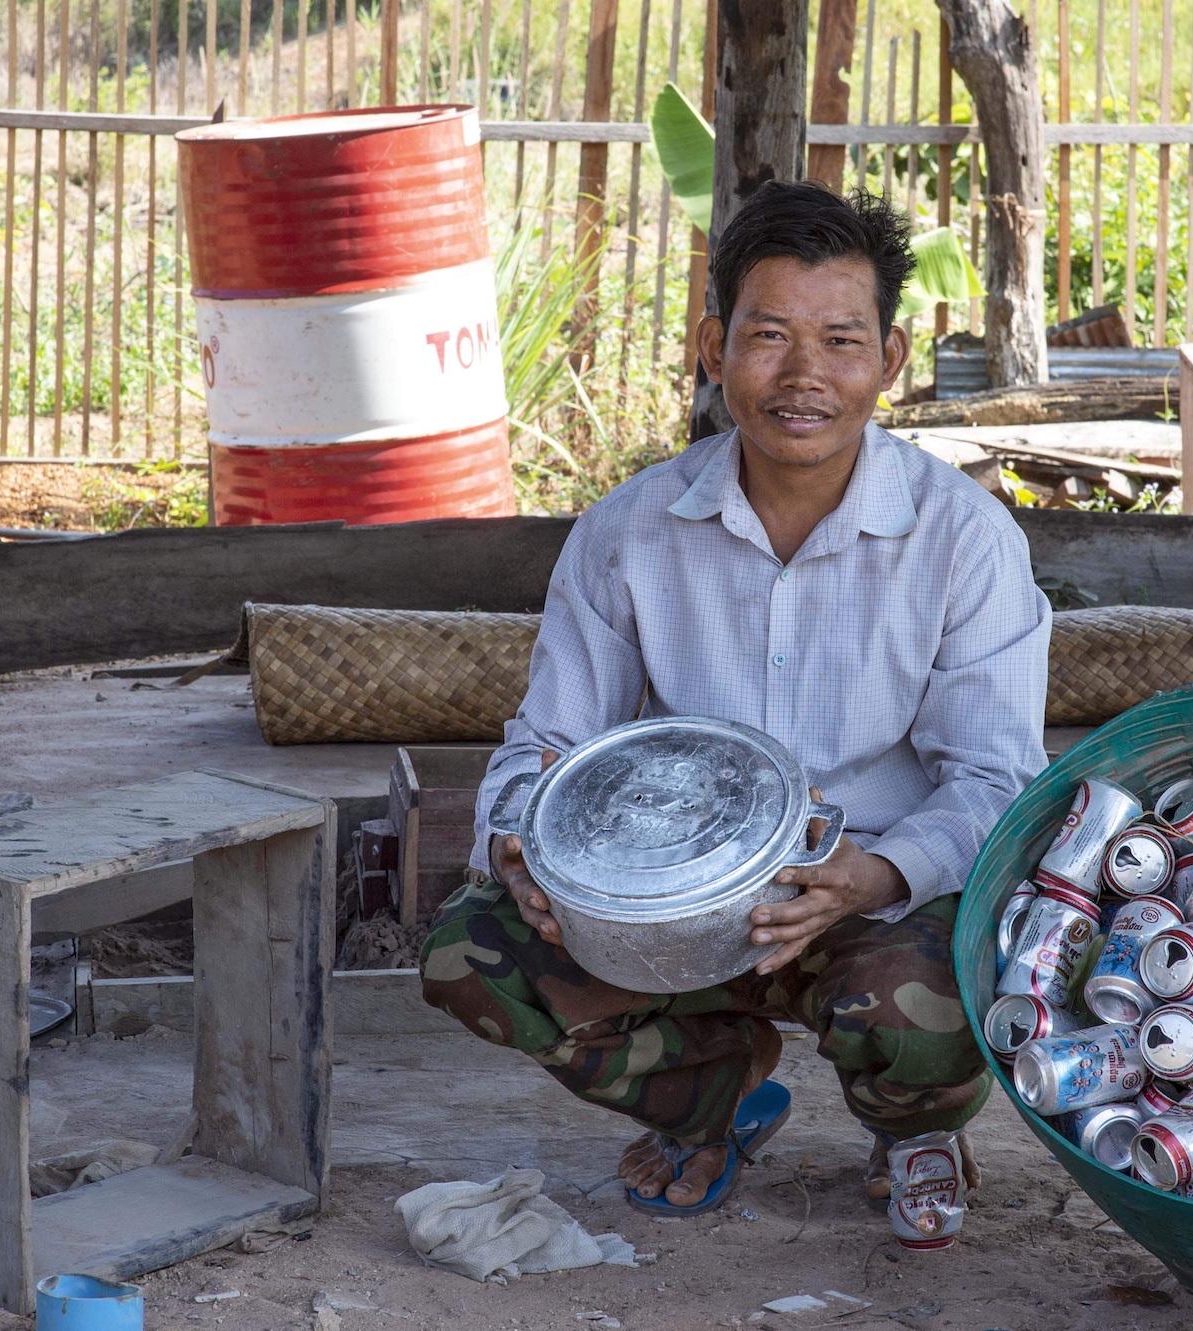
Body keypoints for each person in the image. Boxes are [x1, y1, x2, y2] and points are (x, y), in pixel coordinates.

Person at [420, 180, 1051, 1226]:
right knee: (469, 955)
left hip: (867, 893)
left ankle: (913, 1125)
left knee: (931, 1012)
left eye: (841, 339)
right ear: (712, 348)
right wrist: (513, 840)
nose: (803, 375)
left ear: (889, 362)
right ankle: (714, 1095)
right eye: (768, 336)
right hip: (658, 905)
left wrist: (871, 875)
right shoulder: (630, 530)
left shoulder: (963, 537)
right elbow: (549, 741)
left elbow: (995, 778)